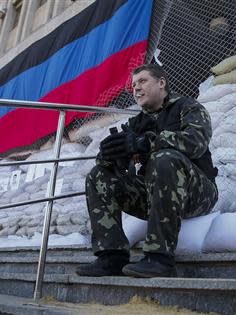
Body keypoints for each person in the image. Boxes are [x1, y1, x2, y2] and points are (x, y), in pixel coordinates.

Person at [76, 64, 218, 278]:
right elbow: (115, 164)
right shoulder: (135, 123)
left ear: (161, 83)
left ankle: (159, 258)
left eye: (142, 81)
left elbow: (196, 142)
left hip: (197, 193)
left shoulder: (187, 107)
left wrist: (147, 143)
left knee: (164, 158)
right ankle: (111, 257)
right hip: (155, 194)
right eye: (133, 85)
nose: (136, 88)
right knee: (98, 175)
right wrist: (108, 155)